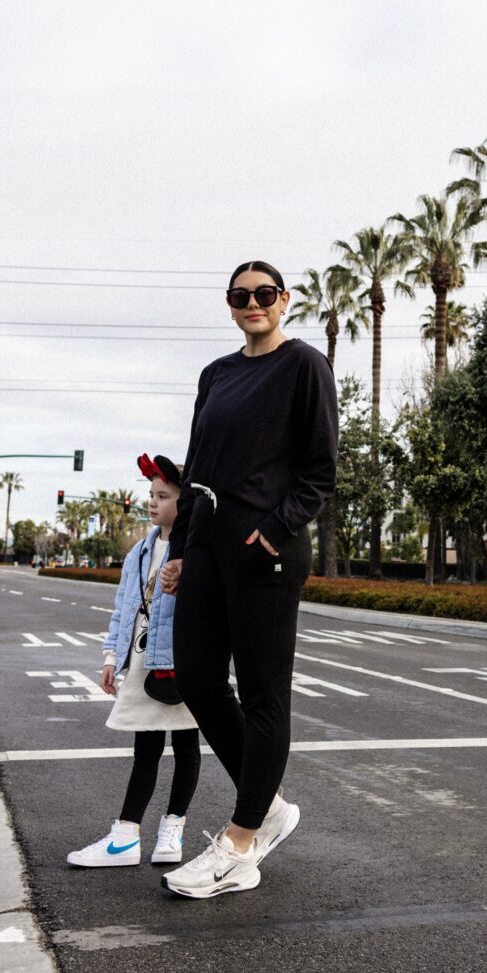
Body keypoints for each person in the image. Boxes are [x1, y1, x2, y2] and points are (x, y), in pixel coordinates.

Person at [159, 261, 338, 900]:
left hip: (267, 549)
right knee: (195, 677)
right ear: (230, 304)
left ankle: (240, 842)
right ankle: (271, 806)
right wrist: (180, 549)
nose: (252, 302)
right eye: (241, 295)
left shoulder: (304, 365)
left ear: (284, 300)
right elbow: (196, 469)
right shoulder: (217, 374)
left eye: (264, 293)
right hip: (207, 544)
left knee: (263, 695)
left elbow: (319, 470)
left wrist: (273, 529)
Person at [67, 455, 202, 869]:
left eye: (163, 496)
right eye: (151, 495)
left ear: (184, 502)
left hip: (184, 661)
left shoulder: (197, 550)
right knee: (146, 747)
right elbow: (123, 609)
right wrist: (111, 657)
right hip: (144, 663)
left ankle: (172, 830)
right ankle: (126, 837)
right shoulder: (139, 553)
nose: (153, 502)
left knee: (186, 745)